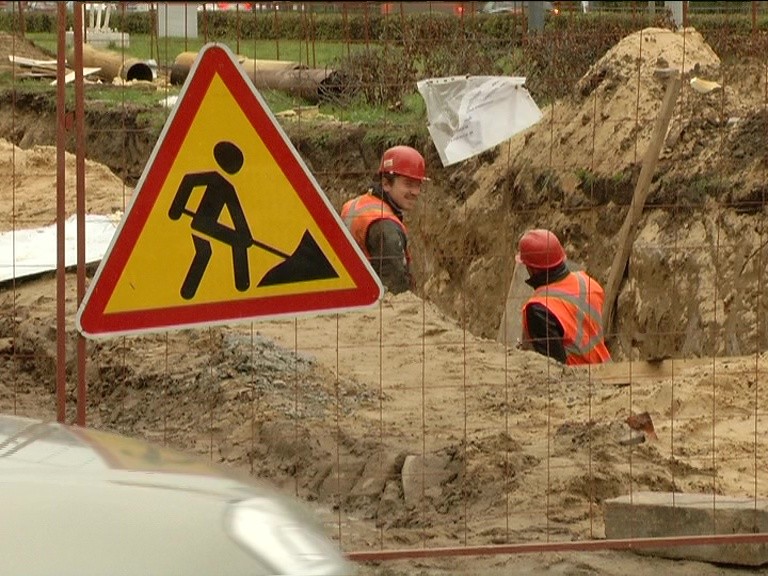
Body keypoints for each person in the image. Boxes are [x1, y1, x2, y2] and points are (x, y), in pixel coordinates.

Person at [341, 145, 428, 294]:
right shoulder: (385, 226)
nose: (416, 192)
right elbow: (396, 289)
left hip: (348, 293)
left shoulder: (355, 204)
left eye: (418, 185)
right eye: (408, 184)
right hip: (369, 303)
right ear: (386, 183)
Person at [516, 228, 611, 365]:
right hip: (606, 369)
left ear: (532, 268)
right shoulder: (588, 282)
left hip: (578, 379)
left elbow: (552, 367)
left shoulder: (539, 309)